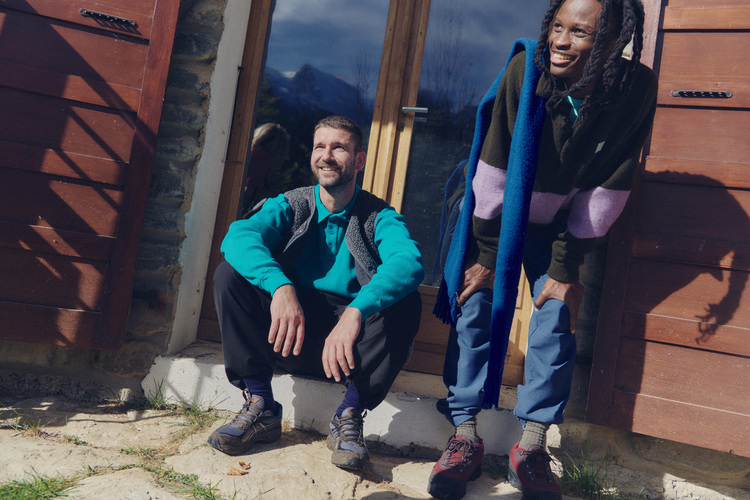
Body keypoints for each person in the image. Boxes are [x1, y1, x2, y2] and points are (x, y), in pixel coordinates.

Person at [427, 0, 658, 498]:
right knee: (476, 302)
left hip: (562, 224)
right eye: (557, 26)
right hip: (497, 212)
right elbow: (492, 171)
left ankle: (530, 446)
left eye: (580, 33)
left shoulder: (634, 89)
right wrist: (488, 256)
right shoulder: (525, 70)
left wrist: (564, 266)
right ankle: (464, 434)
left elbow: (610, 185)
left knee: (557, 313)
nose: (560, 41)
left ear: (612, 43)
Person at [209, 115, 424, 471]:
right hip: (286, 337)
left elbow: (408, 263)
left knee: (407, 301)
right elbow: (238, 237)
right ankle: (260, 404)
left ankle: (349, 415)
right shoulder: (292, 205)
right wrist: (280, 287)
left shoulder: (379, 216)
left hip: (349, 353)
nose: (326, 156)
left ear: (359, 160)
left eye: (338, 147)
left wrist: (356, 312)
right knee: (229, 275)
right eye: (319, 147)